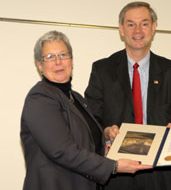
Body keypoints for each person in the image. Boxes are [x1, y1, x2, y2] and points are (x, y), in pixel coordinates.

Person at [85, 1, 171, 190]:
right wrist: (106, 132)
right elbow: (90, 122)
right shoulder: (102, 70)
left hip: (164, 176)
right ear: (121, 29)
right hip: (117, 176)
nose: (138, 30)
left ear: (153, 28)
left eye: (144, 24)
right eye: (131, 24)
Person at [20, 30, 151, 190]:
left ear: (72, 60)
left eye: (63, 55)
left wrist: (108, 140)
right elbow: (62, 151)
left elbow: (86, 144)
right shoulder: (40, 98)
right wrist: (113, 166)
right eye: (50, 57)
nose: (58, 62)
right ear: (39, 65)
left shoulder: (77, 99)